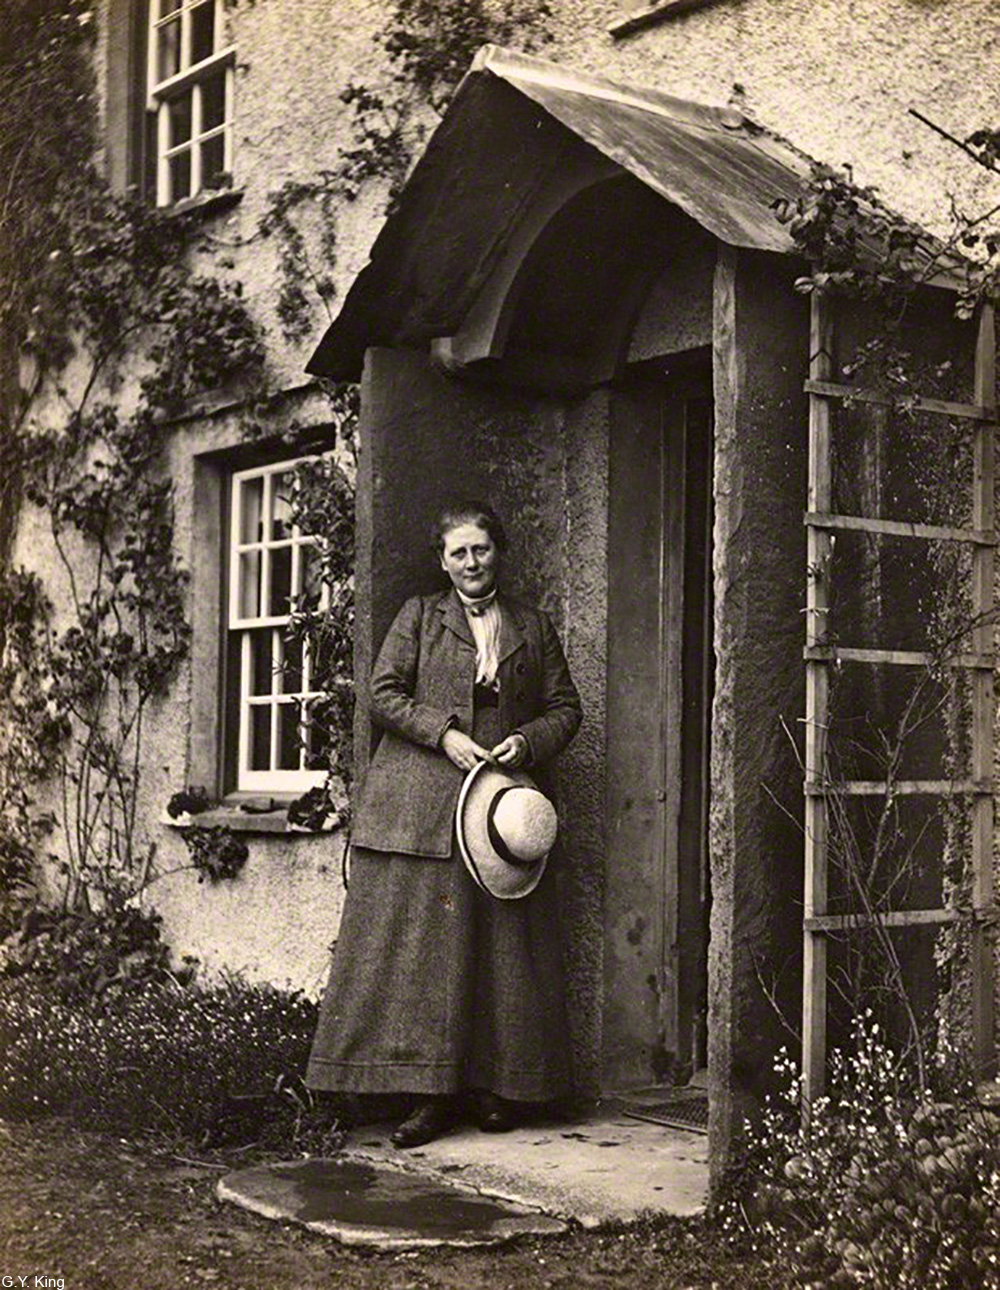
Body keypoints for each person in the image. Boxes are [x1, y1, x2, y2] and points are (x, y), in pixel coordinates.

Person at [305, 500, 582, 1148]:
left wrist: (526, 742)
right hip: (427, 794)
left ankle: (495, 1087)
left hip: (499, 803)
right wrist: (443, 733)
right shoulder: (419, 617)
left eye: (480, 549)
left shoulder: (532, 625)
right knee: (434, 950)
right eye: (457, 552)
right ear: (442, 560)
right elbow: (383, 694)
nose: (470, 562)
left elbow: (566, 708)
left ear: (498, 552)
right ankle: (430, 1096)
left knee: (502, 950)